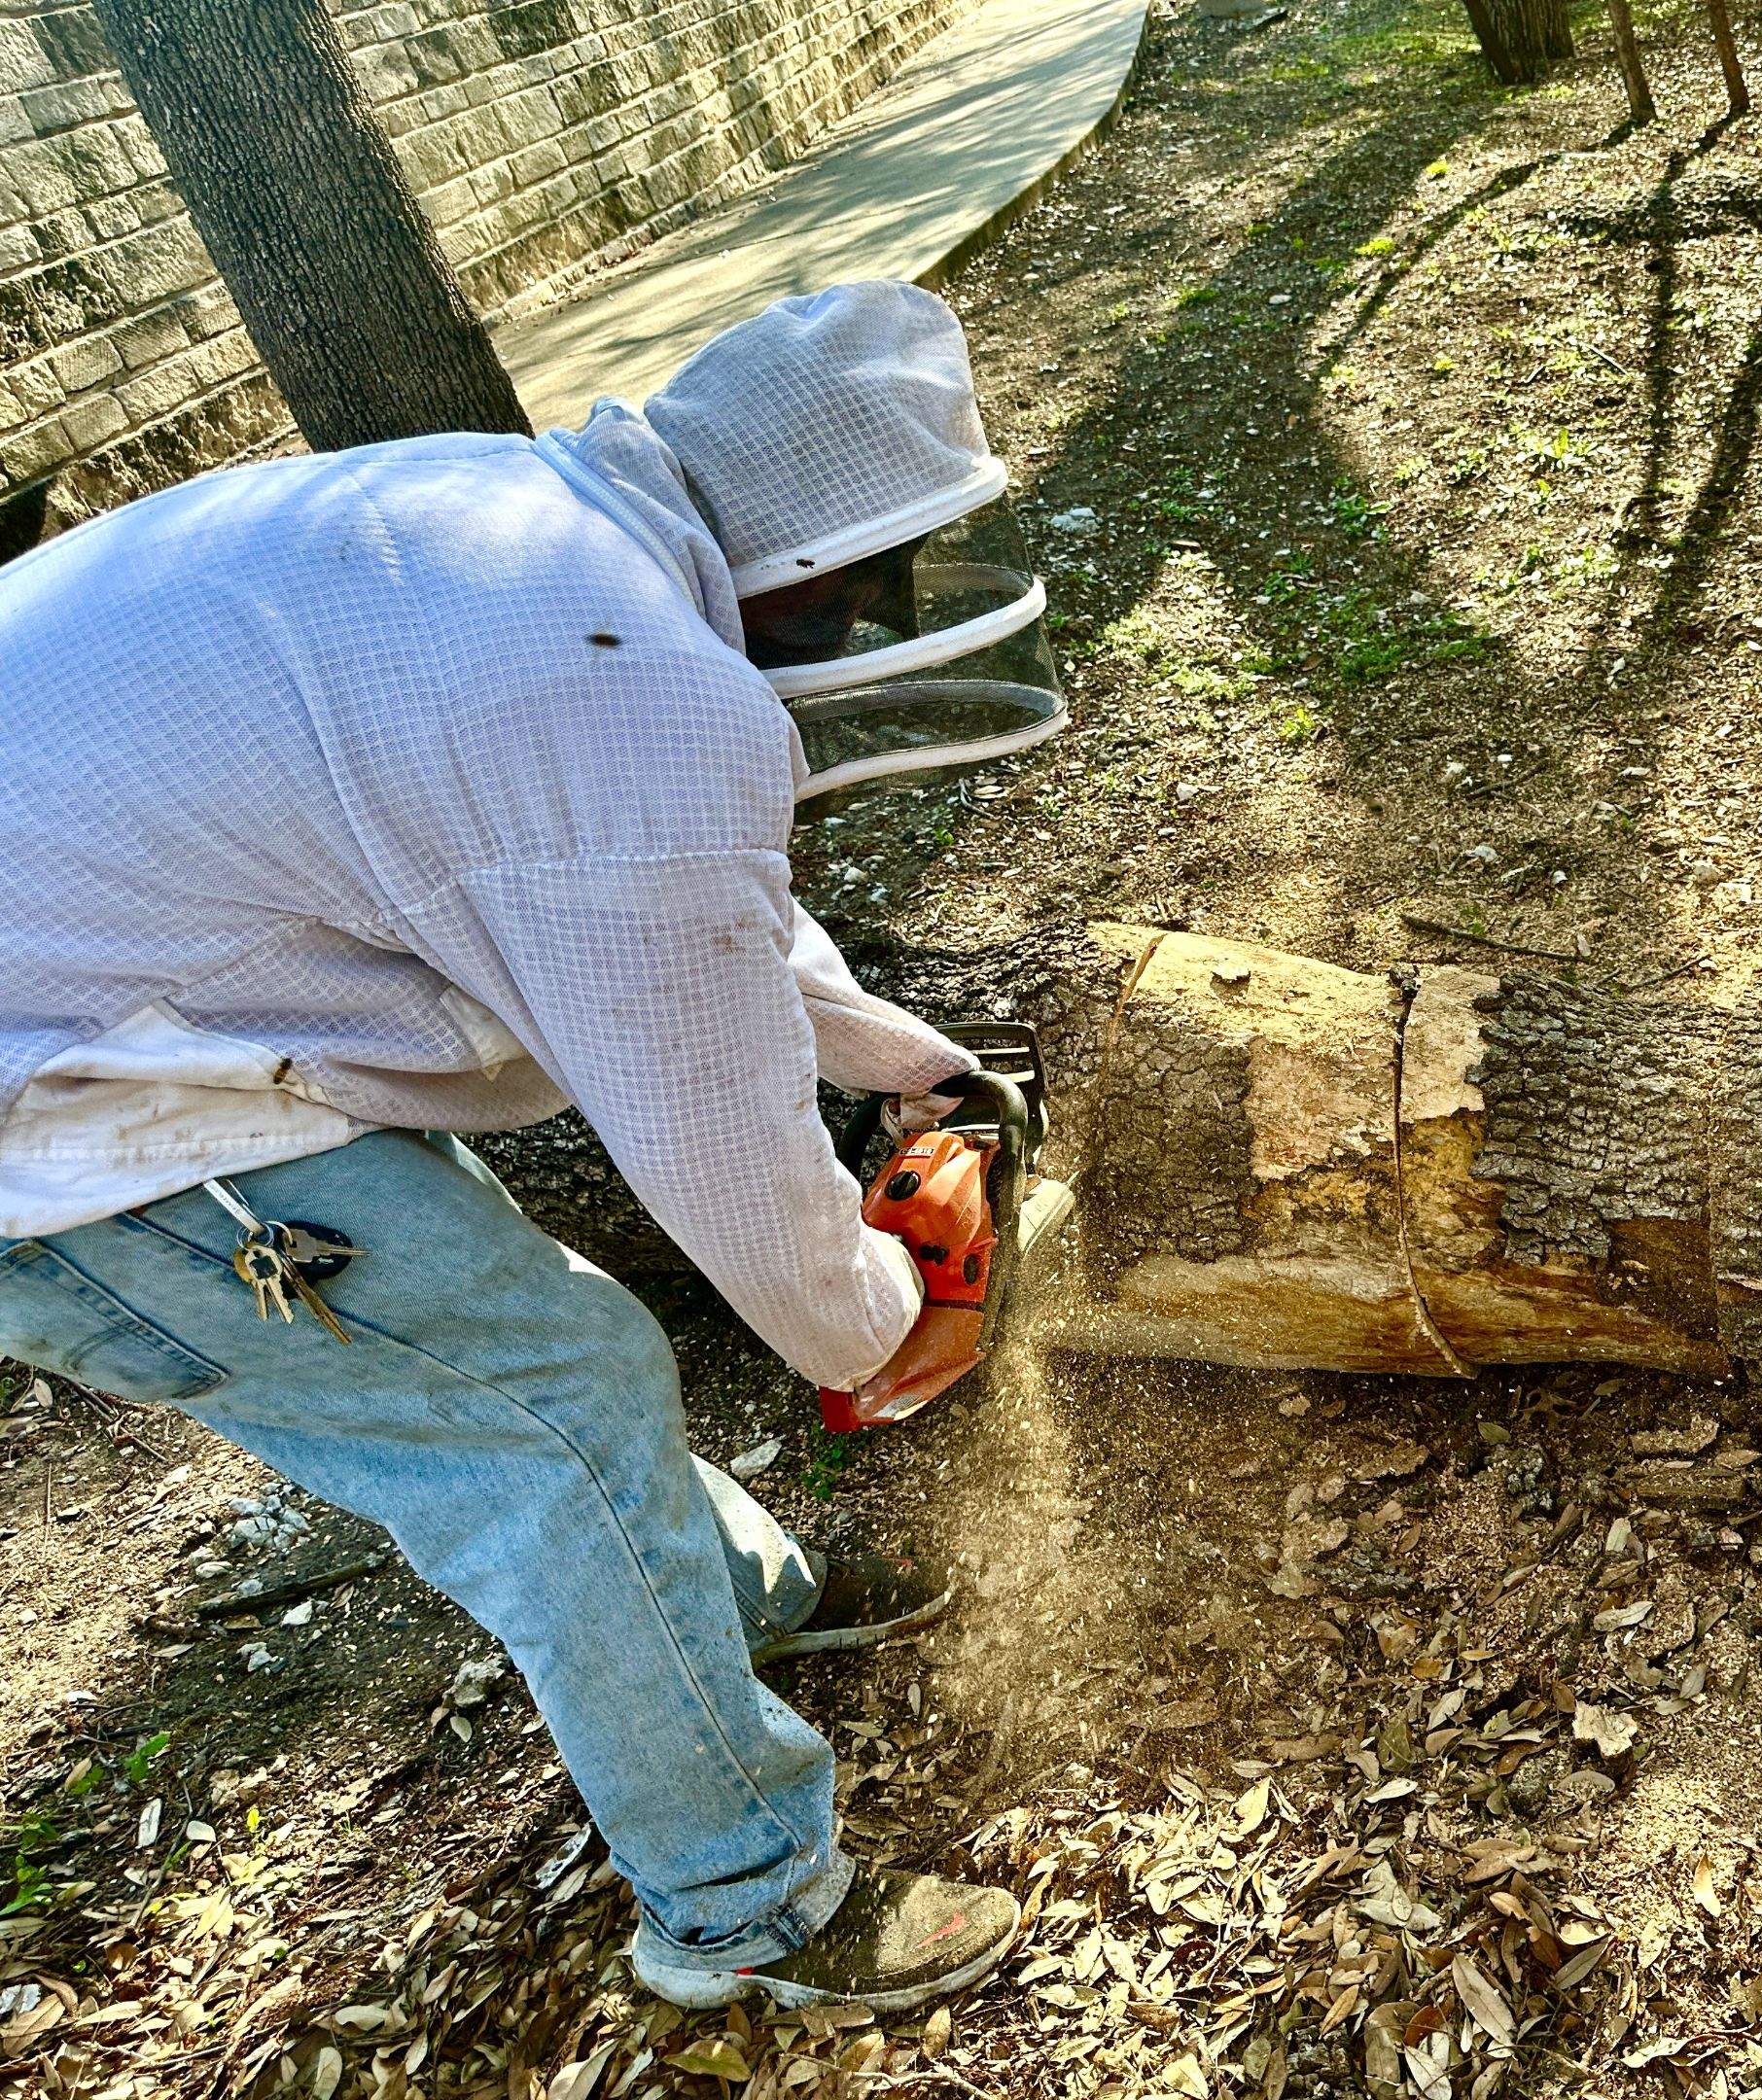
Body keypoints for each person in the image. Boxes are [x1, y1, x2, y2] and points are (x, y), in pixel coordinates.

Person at [0, 283, 1036, 2012]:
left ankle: (736, 1605)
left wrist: (902, 1060)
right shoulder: (601, 681)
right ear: (799, 558)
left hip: (118, 1002)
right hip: (66, 1124)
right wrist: (883, 1321)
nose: (879, 613)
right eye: (871, 582)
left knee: (519, 1352)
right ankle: (748, 1904)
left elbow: (651, 900)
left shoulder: (547, 546)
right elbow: (709, 1127)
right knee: (545, 1421)